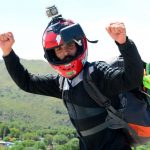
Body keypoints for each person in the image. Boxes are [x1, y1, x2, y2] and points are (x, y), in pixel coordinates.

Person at [0, 15, 143, 150]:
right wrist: (8, 52)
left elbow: (132, 79)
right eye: (59, 49)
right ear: (52, 54)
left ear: (80, 45)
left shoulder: (97, 73)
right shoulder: (62, 83)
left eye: (70, 45)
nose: (66, 52)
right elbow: (27, 82)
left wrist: (124, 43)